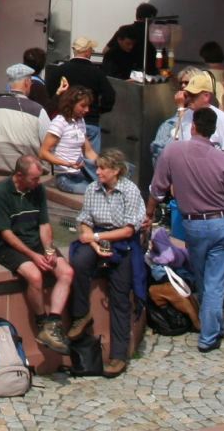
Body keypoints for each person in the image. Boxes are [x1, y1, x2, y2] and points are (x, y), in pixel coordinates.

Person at [150, 105, 224, 353]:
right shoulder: (223, 160)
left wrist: (149, 213)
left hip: (193, 224)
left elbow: (157, 189)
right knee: (214, 281)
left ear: (193, 127)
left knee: (203, 278)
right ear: (213, 131)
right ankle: (210, 333)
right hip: (221, 222)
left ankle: (209, 324)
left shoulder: (173, 151)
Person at [67, 147, 144, 379]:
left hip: (121, 240)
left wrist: (97, 237)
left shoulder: (129, 191)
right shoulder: (93, 189)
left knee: (119, 296)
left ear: (116, 171)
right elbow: (84, 221)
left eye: (102, 168)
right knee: (79, 262)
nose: (98, 172)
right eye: (98, 168)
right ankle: (81, 314)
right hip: (97, 238)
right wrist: (93, 242)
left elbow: (129, 229)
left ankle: (119, 355)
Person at [0, 153, 77, 352]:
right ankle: (41, 321)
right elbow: (6, 233)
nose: (38, 182)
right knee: (35, 276)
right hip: (7, 246)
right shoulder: (1, 192)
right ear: (19, 176)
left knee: (67, 272)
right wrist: (33, 256)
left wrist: (48, 250)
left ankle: (52, 324)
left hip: (35, 241)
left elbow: (44, 224)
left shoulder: (38, 190)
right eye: (34, 178)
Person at [43, 36, 115, 152]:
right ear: (87, 52)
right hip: (90, 121)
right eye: (91, 50)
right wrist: (98, 110)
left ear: (74, 50)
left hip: (64, 121)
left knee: (65, 155)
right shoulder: (97, 73)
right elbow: (110, 96)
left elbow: (49, 93)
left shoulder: (60, 70)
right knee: (90, 158)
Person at [0, 63, 51, 173]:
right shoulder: (38, 110)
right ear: (26, 82)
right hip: (27, 173)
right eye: (31, 82)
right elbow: (49, 143)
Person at [42, 86, 101, 193]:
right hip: (64, 177)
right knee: (96, 191)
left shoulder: (80, 121)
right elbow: (43, 153)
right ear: (72, 104)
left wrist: (105, 165)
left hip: (79, 174)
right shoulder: (60, 122)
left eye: (88, 106)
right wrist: (68, 164)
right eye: (83, 106)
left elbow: (88, 151)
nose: (87, 110)